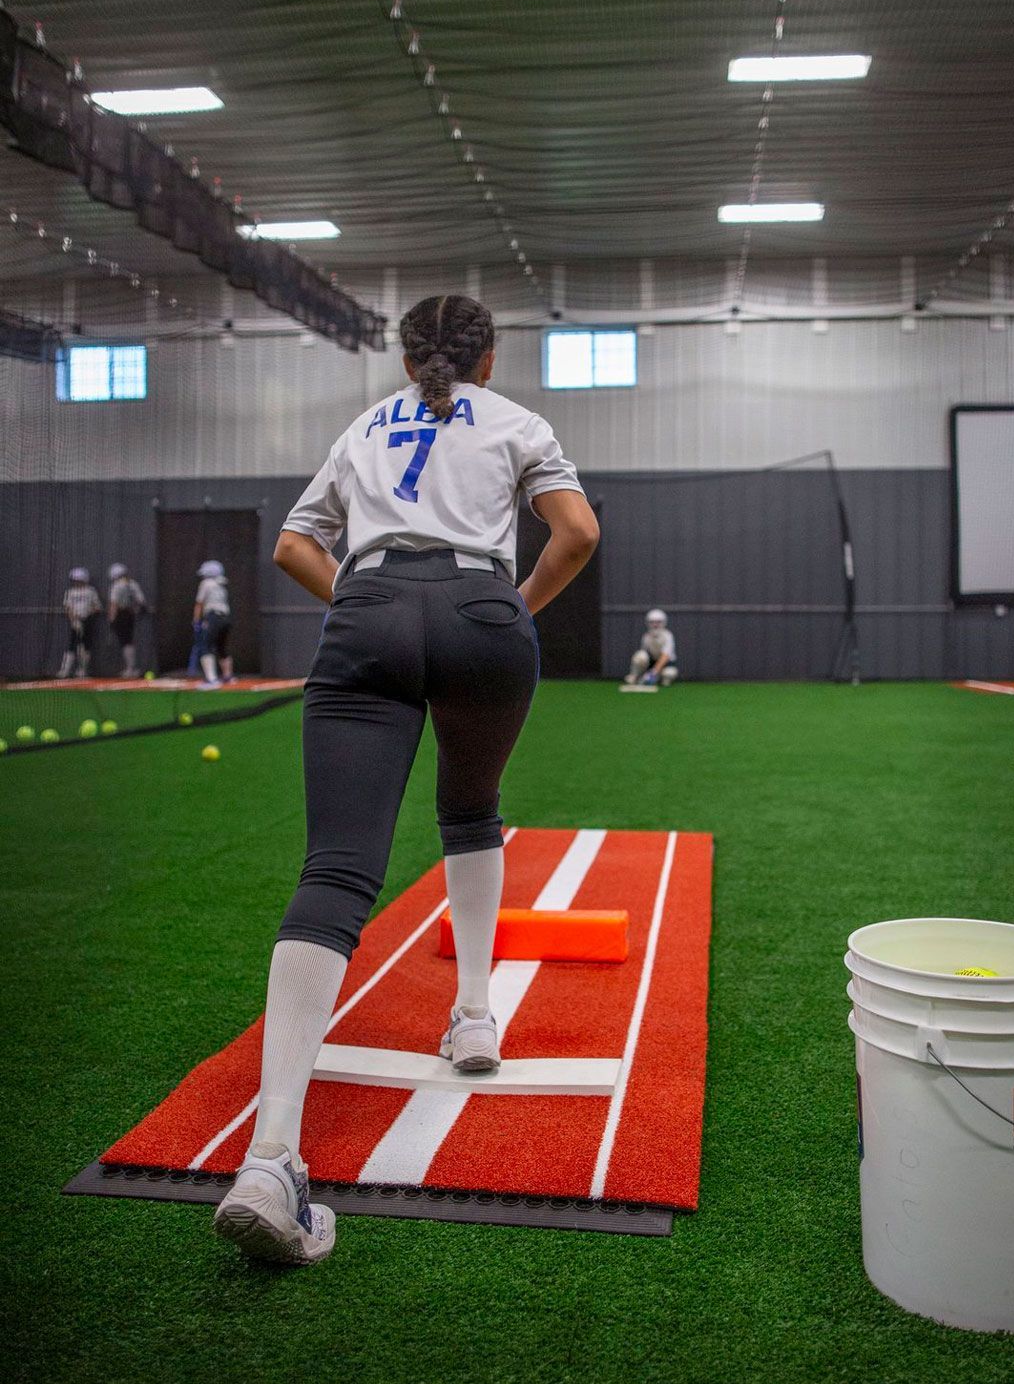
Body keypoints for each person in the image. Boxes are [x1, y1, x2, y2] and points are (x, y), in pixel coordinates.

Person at [213, 294, 599, 1265]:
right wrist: (508, 610)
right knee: (470, 810)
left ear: (403, 360)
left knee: (337, 869)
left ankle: (269, 1160)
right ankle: (473, 1017)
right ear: (489, 358)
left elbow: (293, 544)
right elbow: (577, 532)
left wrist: (370, 605)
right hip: (481, 612)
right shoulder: (517, 422)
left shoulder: (364, 428)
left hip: (369, 608)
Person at [194, 560, 233, 690]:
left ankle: (211, 679)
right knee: (221, 647)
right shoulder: (222, 584)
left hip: (213, 617)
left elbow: (199, 603)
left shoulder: (206, 583)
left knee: (205, 646)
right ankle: (228, 676)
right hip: (226, 618)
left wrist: (196, 621)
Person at [56, 567, 101, 679]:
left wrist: (87, 615)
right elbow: (68, 607)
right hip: (75, 621)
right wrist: (74, 621)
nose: (76, 582)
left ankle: (82, 670)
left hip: (88, 621)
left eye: (78, 580)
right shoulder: (70, 592)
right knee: (72, 645)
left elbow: (97, 607)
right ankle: (65, 670)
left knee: (85, 646)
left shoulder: (91, 591)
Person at [107, 562, 147, 678]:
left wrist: (112, 619)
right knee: (129, 640)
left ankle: (130, 669)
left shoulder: (116, 586)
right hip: (130, 614)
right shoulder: (133, 584)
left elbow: (113, 604)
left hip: (120, 614)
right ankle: (132, 668)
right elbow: (141, 601)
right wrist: (135, 610)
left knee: (125, 642)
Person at [625, 607, 679, 686]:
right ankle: (634, 677)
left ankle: (659, 679)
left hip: (666, 665)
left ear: (664, 622)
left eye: (658, 622)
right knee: (640, 656)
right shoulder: (646, 637)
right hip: (652, 663)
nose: (655, 625)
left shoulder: (668, 636)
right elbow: (644, 655)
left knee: (669, 673)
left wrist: (653, 672)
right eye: (652, 622)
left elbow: (665, 656)